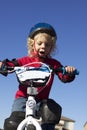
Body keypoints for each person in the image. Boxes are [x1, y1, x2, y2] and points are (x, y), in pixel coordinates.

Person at [0, 22, 77, 130]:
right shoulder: (25, 60)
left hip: (42, 100)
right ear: (33, 44)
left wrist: (68, 72)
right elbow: (12, 65)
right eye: (40, 43)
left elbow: (63, 75)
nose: (43, 47)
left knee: (51, 112)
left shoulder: (53, 64)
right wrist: (4, 65)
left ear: (51, 47)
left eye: (47, 45)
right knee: (14, 122)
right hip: (23, 97)